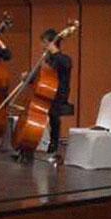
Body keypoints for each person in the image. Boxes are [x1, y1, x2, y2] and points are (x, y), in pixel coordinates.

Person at [41, 28, 72, 156]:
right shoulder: (49, 58)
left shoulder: (63, 59)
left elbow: (65, 65)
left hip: (59, 94)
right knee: (50, 116)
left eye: (44, 42)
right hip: (50, 91)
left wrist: (52, 53)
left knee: (54, 116)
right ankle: (47, 144)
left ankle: (54, 145)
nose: (43, 46)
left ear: (50, 42)